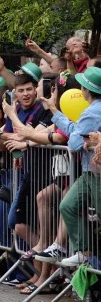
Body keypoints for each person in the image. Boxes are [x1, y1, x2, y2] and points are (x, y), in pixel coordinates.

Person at [48, 66, 101, 267]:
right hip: (89, 172)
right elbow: (76, 133)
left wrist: (79, 139)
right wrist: (55, 112)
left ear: (86, 89)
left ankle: (90, 254)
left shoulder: (92, 112)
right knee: (68, 206)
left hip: (96, 173)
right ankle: (86, 252)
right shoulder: (91, 110)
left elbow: (74, 142)